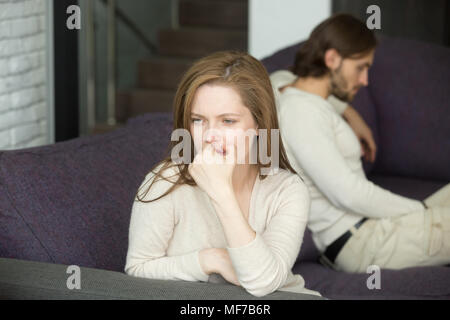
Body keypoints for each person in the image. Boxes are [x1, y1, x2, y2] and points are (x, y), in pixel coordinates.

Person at [124, 51, 321, 297]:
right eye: (198, 120)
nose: (209, 136)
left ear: (259, 125)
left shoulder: (288, 190)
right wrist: (211, 259)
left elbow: (263, 282)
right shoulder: (165, 182)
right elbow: (137, 268)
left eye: (227, 121)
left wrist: (221, 193)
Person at [271, 13, 450, 273]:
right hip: (363, 242)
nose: (365, 80)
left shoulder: (297, 95)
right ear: (331, 59)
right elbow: (348, 194)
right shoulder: (301, 112)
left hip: (369, 229)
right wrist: (419, 210)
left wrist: (348, 112)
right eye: (360, 67)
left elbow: (280, 78)